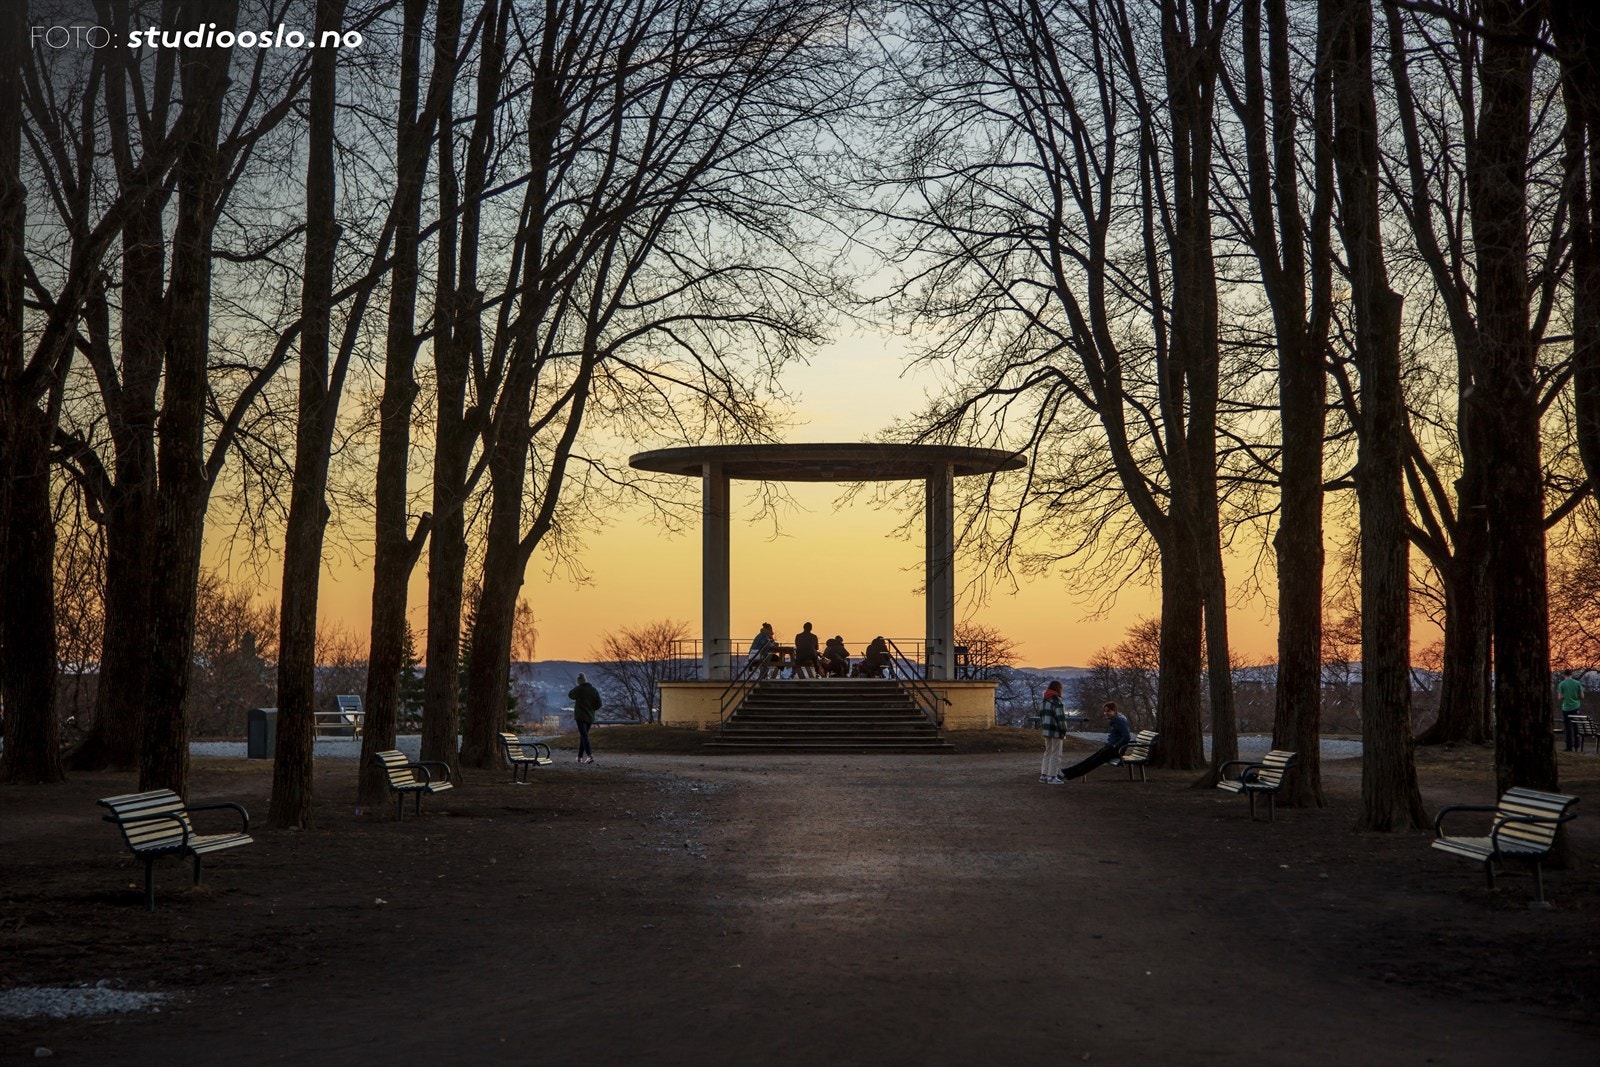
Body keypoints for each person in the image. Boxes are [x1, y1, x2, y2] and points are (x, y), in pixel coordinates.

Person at [1058, 701, 1131, 781]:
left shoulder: (1120, 721)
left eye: (1108, 711)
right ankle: (1065, 772)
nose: (1106, 713)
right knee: (1090, 760)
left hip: (1116, 750)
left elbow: (1126, 737)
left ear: (1115, 711)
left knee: (1092, 763)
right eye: (1105, 711)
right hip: (1110, 748)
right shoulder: (1115, 720)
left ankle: (1067, 775)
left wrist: (1115, 745)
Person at [1037, 680, 1068, 784]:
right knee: (1056, 754)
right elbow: (1061, 718)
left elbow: (1041, 717)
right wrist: (1063, 730)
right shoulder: (1057, 702)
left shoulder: (1044, 701)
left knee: (1047, 752)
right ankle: (1052, 776)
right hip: (1056, 731)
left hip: (1046, 731)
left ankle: (1044, 775)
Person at [568, 673, 602, 764]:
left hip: (580, 717)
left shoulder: (579, 689)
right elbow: (599, 704)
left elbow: (570, 695)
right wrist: (592, 708)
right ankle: (579, 757)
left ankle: (589, 755)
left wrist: (577, 687)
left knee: (584, 736)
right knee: (584, 736)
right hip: (590, 717)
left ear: (579, 682)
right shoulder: (594, 690)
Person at [1558, 670, 1585, 752]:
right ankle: (1577, 745)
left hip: (1566, 708)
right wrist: (1576, 697)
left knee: (1568, 728)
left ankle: (1569, 747)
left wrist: (1565, 696)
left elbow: (1559, 698)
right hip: (1576, 707)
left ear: (1564, 675)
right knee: (1576, 727)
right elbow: (1582, 696)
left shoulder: (1561, 684)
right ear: (1571, 674)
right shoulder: (1577, 683)